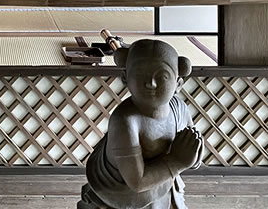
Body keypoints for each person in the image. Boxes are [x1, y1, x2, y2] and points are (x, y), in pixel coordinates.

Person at [79, 39, 204, 209]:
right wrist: (177, 161)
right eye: (140, 74)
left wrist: (193, 154)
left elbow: (191, 148)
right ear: (125, 78)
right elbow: (136, 182)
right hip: (123, 192)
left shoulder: (178, 108)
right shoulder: (125, 120)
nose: (150, 83)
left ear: (178, 84)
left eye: (162, 76)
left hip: (163, 182)